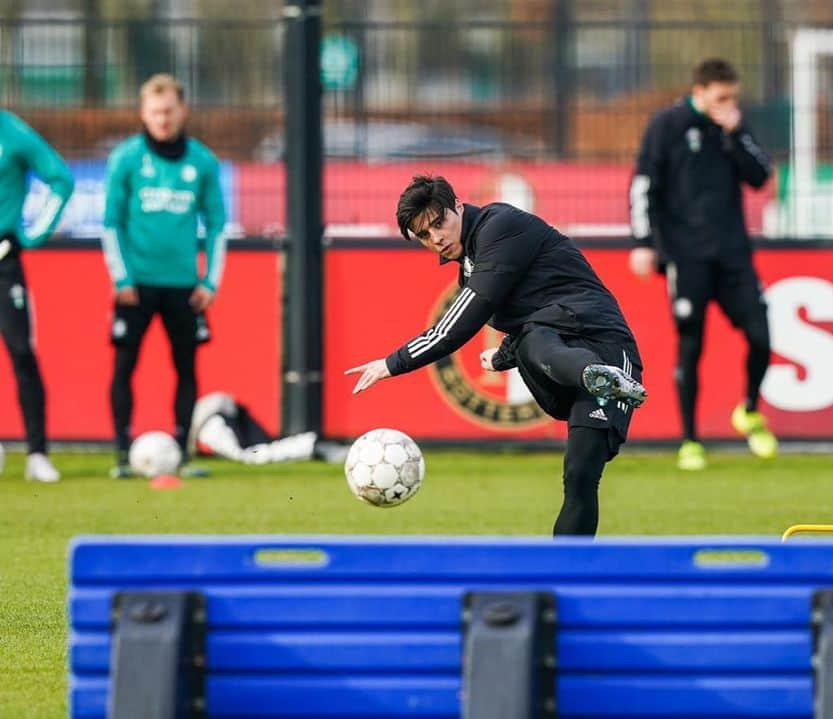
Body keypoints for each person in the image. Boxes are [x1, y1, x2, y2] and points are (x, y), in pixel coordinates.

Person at [346, 175, 646, 536]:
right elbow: (532, 314)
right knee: (576, 469)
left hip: (604, 343)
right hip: (561, 349)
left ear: (458, 205)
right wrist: (503, 357)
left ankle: (597, 374)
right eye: (425, 235)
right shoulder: (470, 262)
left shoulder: (499, 226)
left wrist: (391, 363)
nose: (436, 238)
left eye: (439, 223)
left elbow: (457, 326)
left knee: (578, 470)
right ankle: (565, 579)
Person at [628, 57, 775, 471]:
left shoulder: (733, 129)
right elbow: (643, 186)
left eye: (733, 98)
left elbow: (761, 175)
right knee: (691, 345)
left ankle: (748, 409)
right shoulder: (667, 127)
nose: (728, 104)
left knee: (762, 336)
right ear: (699, 93)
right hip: (686, 257)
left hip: (733, 256)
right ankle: (690, 439)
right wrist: (643, 242)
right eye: (721, 98)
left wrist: (736, 133)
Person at [102, 74, 227, 478]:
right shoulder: (124, 159)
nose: (163, 119)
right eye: (155, 112)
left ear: (182, 111)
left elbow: (219, 225)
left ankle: (182, 451)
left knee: (187, 368)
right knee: (124, 367)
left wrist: (209, 283)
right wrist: (121, 279)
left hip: (184, 287)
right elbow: (110, 224)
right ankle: (123, 452)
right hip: (135, 286)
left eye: (169, 110)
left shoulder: (202, 162)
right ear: (144, 113)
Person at [0, 110, 73, 482]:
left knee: (21, 353)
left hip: (4, 264)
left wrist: (31, 235)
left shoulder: (13, 133)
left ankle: (37, 454)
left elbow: (60, 179)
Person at [188, 392, 348, 465]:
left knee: (247, 456)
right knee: (264, 447)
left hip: (208, 418)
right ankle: (316, 444)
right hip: (220, 408)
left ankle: (315, 447)